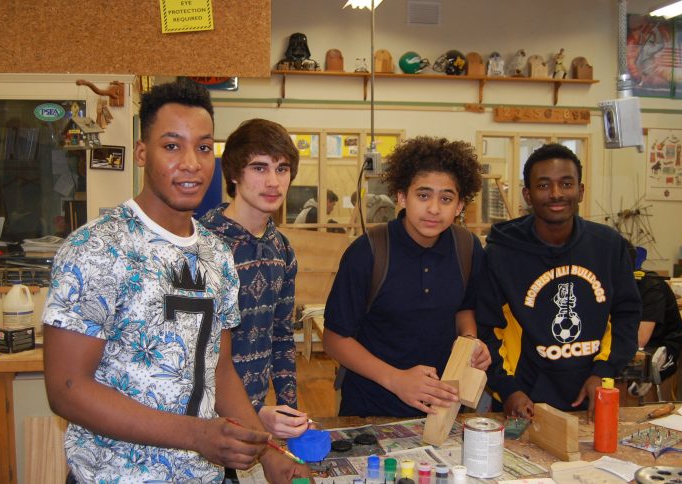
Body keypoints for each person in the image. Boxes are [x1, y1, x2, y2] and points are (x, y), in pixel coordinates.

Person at [41, 79, 308, 483]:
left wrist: (266, 452)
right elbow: (66, 388)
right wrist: (197, 434)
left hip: (204, 476)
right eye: (171, 146)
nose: (191, 162)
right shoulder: (96, 248)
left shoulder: (217, 254)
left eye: (203, 147)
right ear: (141, 152)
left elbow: (220, 371)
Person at [323, 136, 491, 417]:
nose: (434, 208)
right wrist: (396, 379)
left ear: (460, 205)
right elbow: (334, 339)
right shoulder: (369, 251)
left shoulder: (467, 247)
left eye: (446, 198)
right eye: (423, 195)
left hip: (444, 409)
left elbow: (465, 307)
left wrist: (470, 341)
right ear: (402, 196)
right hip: (371, 408)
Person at [476, 143, 641, 419]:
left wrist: (603, 372)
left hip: (590, 396)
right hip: (523, 401)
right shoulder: (501, 253)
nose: (556, 194)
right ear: (528, 194)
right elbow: (486, 329)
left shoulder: (609, 246)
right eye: (543, 186)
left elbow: (626, 315)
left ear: (581, 190)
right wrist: (508, 389)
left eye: (566, 183)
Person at [199, 118, 309, 439]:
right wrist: (255, 414)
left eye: (283, 168)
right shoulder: (203, 244)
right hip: (202, 418)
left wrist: (289, 413)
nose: (274, 181)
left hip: (256, 416)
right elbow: (196, 352)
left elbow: (281, 336)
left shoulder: (283, 249)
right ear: (234, 173)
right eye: (260, 168)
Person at [628, 242, 682, 385]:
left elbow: (640, 339)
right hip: (630, 340)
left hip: (658, 350)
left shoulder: (651, 287)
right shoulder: (614, 284)